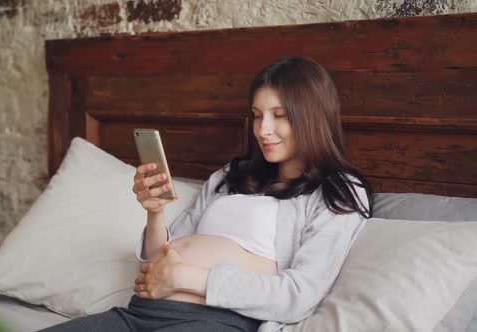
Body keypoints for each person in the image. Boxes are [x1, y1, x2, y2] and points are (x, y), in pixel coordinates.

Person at [39, 56, 373, 332]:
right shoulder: (230, 176)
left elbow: (298, 295)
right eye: (257, 116)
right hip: (139, 314)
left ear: (313, 118)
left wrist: (185, 277)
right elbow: (162, 261)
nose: (263, 130)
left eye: (279, 116)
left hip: (212, 322)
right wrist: (155, 214)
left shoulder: (338, 191)